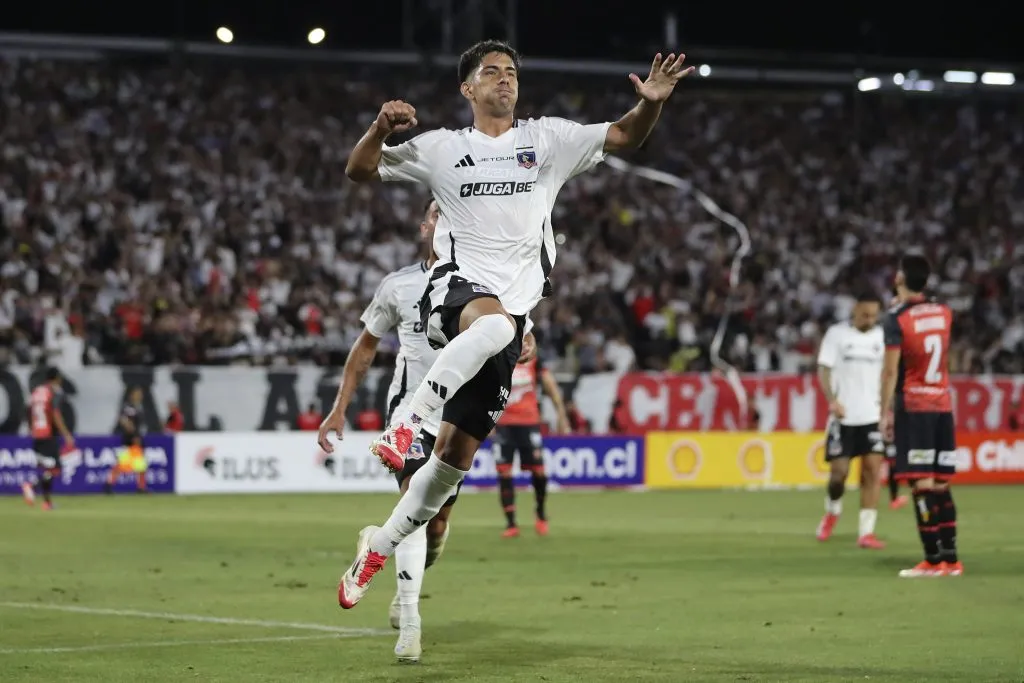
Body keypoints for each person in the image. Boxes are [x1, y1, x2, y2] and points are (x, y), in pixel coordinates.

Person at [337, 39, 693, 611]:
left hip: (508, 313)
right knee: (498, 328)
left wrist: (651, 101)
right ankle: (408, 421)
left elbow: (625, 134)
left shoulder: (546, 139)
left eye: (511, 72)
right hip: (455, 292)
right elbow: (358, 170)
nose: (505, 79)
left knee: (450, 467)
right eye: (491, 72)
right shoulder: (443, 148)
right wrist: (380, 129)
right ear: (467, 89)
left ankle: (377, 547)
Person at [318, 198, 534, 661]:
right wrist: (339, 409)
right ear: (424, 227)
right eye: (437, 211)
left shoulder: (492, 271)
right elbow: (365, 348)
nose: (447, 216)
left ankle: (384, 546)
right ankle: (410, 624)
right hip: (410, 408)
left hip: (460, 409)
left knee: (433, 526)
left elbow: (521, 323)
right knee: (412, 489)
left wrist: (525, 336)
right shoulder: (398, 285)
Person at [880, 255, 963, 578]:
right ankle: (951, 559)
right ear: (927, 282)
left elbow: (890, 371)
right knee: (942, 484)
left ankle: (931, 560)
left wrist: (884, 411)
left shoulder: (896, 319)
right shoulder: (944, 312)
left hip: (914, 407)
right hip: (942, 404)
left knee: (922, 486)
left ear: (900, 278)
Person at [815, 291, 887, 549]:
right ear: (854, 310)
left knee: (871, 472)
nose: (870, 319)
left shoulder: (882, 337)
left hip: (872, 416)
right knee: (839, 474)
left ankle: (866, 532)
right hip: (843, 417)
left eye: (874, 315)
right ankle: (833, 511)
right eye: (865, 314)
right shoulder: (836, 334)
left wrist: (887, 410)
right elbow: (824, 369)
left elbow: (889, 374)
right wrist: (832, 400)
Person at [493, 349, 570, 537]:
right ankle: (511, 524)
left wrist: (561, 414)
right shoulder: (497, 356)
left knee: (539, 471)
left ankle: (541, 513)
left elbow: (549, 384)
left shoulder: (533, 357)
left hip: (529, 422)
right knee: (504, 472)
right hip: (504, 424)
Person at [22, 367, 75, 510]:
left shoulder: (36, 392)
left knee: (48, 470)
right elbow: (55, 415)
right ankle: (31, 485)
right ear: (57, 378)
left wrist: (30, 427)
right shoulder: (54, 392)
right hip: (48, 434)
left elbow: (28, 410)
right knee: (56, 468)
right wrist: (67, 435)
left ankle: (47, 503)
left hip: (37, 434)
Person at [104, 386, 148, 494]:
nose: (140, 396)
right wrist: (132, 432)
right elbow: (123, 419)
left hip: (136, 439)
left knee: (140, 465)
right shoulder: (130, 407)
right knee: (123, 464)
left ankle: (141, 487)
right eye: (138, 393)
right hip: (131, 440)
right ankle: (109, 484)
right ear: (132, 395)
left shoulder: (138, 407)